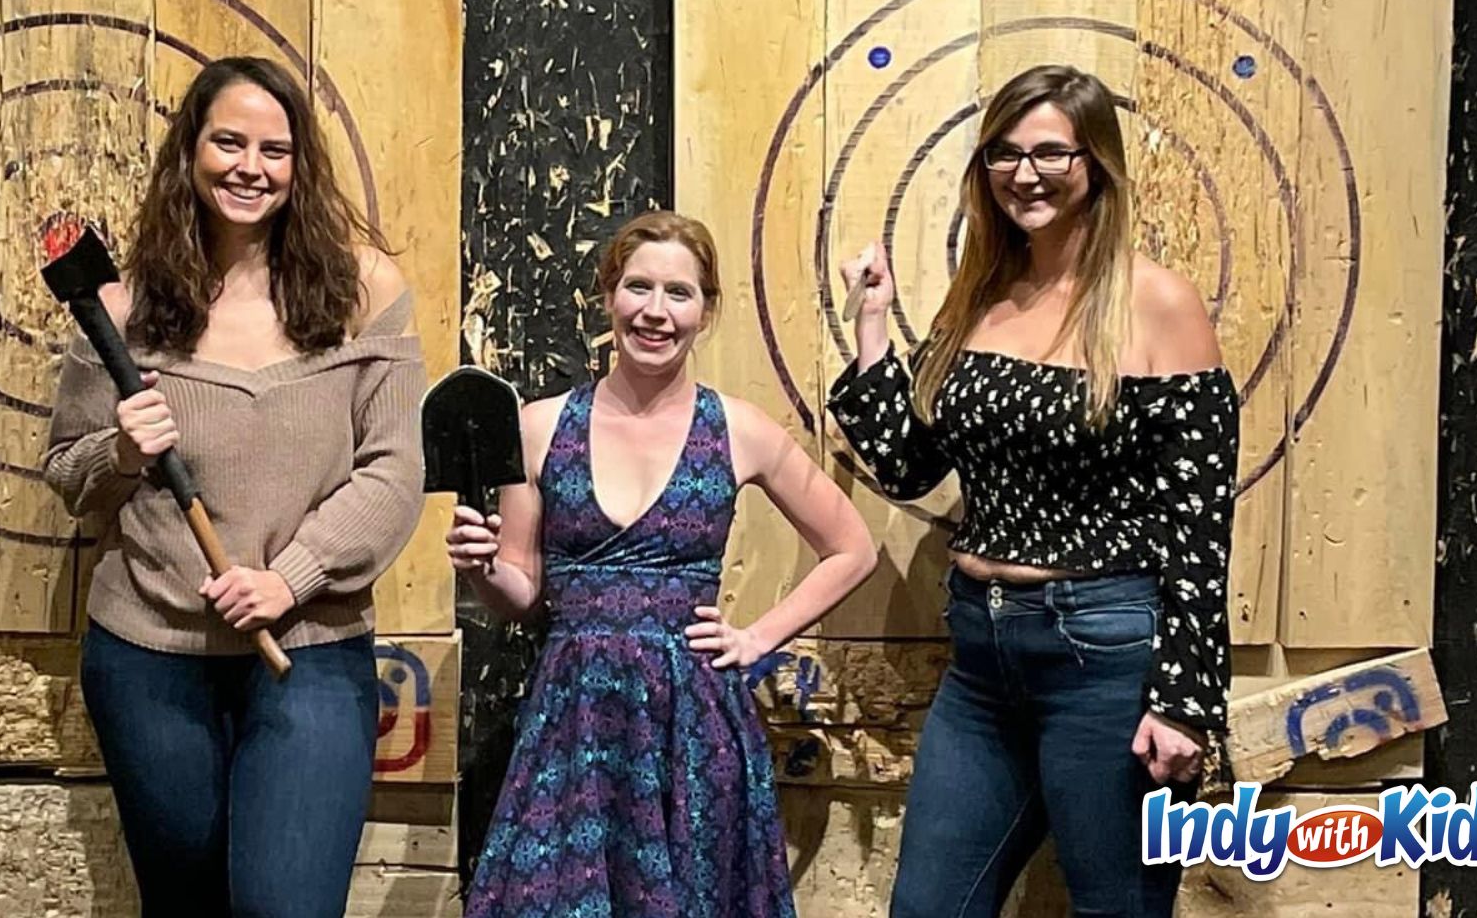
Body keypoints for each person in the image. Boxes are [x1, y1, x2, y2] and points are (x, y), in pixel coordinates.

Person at [828, 63, 1239, 917]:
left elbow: (1199, 523)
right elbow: (911, 469)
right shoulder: (979, 295)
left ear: (1097, 164)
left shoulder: (1158, 303)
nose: (1026, 173)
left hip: (1105, 657)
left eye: (1052, 152)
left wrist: (1186, 703)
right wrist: (872, 331)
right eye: (1004, 154)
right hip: (982, 658)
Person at [41, 56, 425, 917]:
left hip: (311, 653)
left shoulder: (365, 292)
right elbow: (69, 474)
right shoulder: (120, 306)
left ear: (300, 166)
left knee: (282, 907)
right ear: (190, 152)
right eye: (229, 142)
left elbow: (397, 470)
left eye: (275, 150)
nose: (251, 166)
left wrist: (290, 577)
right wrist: (121, 454)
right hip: (149, 658)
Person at [446, 210, 879, 918]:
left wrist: (758, 637)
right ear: (608, 295)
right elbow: (522, 592)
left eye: (679, 293)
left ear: (706, 311)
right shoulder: (539, 425)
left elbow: (852, 546)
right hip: (573, 719)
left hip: (693, 724)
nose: (655, 311)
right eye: (638, 287)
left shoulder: (739, 427)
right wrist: (478, 565)